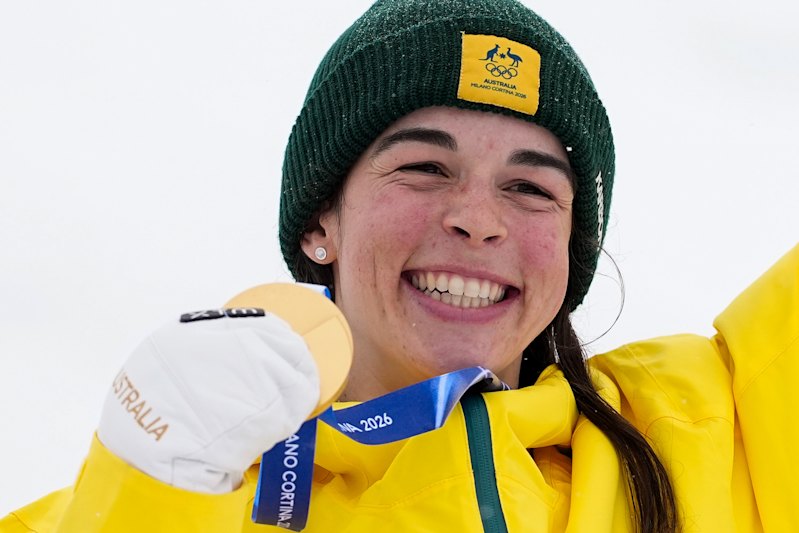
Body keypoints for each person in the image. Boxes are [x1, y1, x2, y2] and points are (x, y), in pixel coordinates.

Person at [3, 0, 797, 531]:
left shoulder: (712, 424)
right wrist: (146, 484)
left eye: (529, 187)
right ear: (321, 219)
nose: (477, 219)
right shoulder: (142, 490)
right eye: (422, 167)